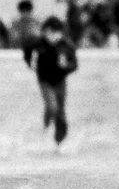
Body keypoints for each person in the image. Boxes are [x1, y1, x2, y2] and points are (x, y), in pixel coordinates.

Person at [23, 16, 78, 147]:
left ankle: (59, 138)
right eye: (48, 32)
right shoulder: (38, 43)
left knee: (60, 109)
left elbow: (74, 65)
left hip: (60, 80)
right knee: (53, 106)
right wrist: (30, 62)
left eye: (54, 32)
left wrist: (66, 66)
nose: (51, 36)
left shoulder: (66, 45)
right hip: (45, 80)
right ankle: (48, 123)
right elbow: (27, 51)